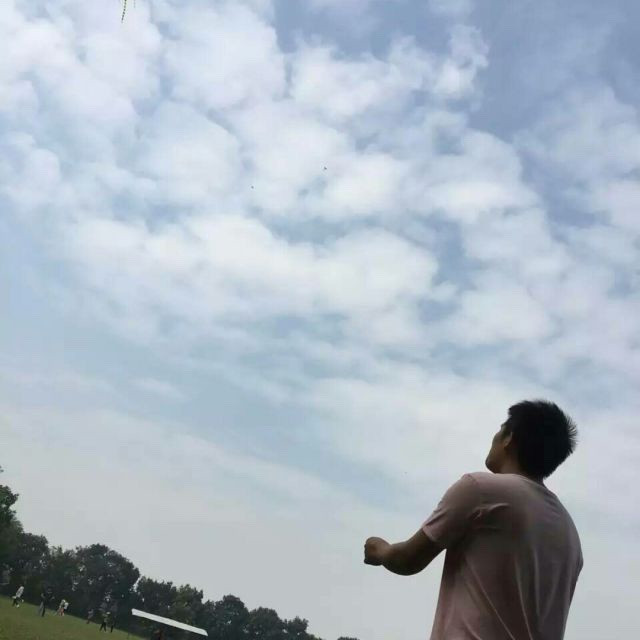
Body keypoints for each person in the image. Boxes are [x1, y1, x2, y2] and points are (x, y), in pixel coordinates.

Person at [364, 399, 583, 640]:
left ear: (509, 438)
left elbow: (408, 560)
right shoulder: (569, 532)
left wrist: (380, 550)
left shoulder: (481, 490)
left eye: (501, 429)